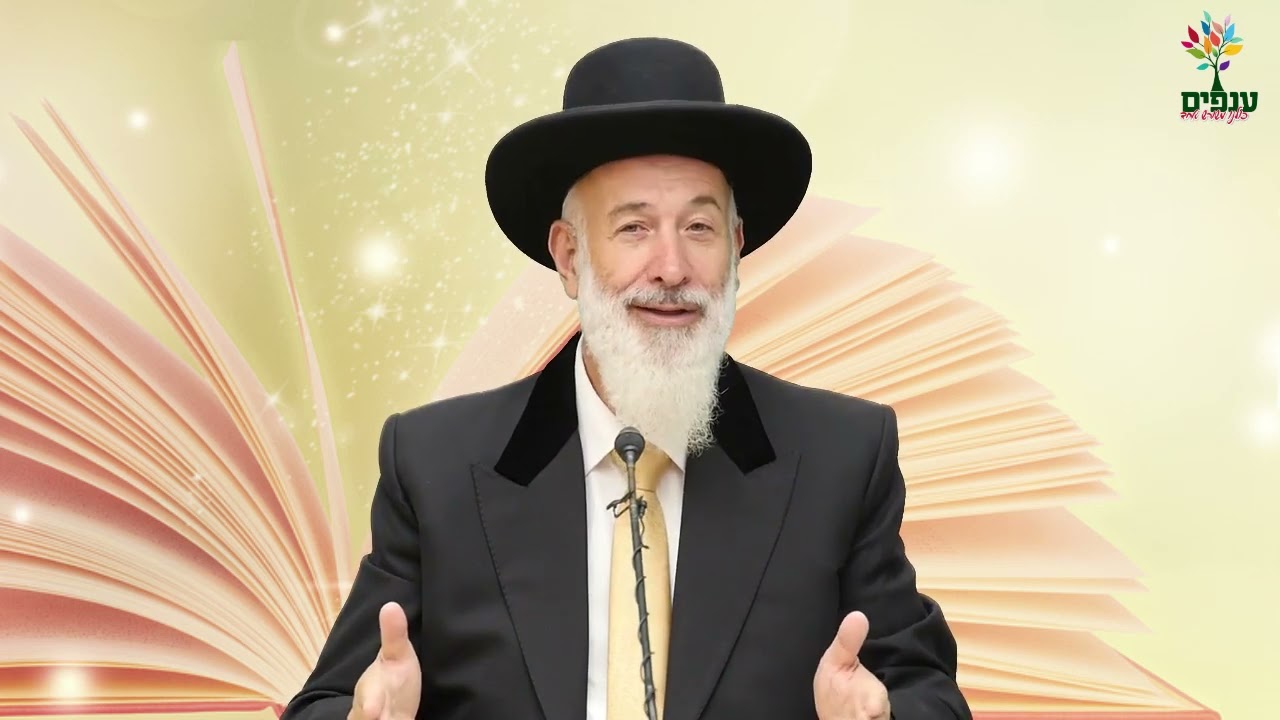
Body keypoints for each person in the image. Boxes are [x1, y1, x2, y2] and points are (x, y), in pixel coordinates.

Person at [281, 37, 971, 720]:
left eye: (698, 228)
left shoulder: (842, 457)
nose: (671, 268)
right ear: (570, 256)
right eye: (634, 228)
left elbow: (929, 694)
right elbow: (326, 702)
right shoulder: (435, 465)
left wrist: (883, 719)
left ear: (735, 250)